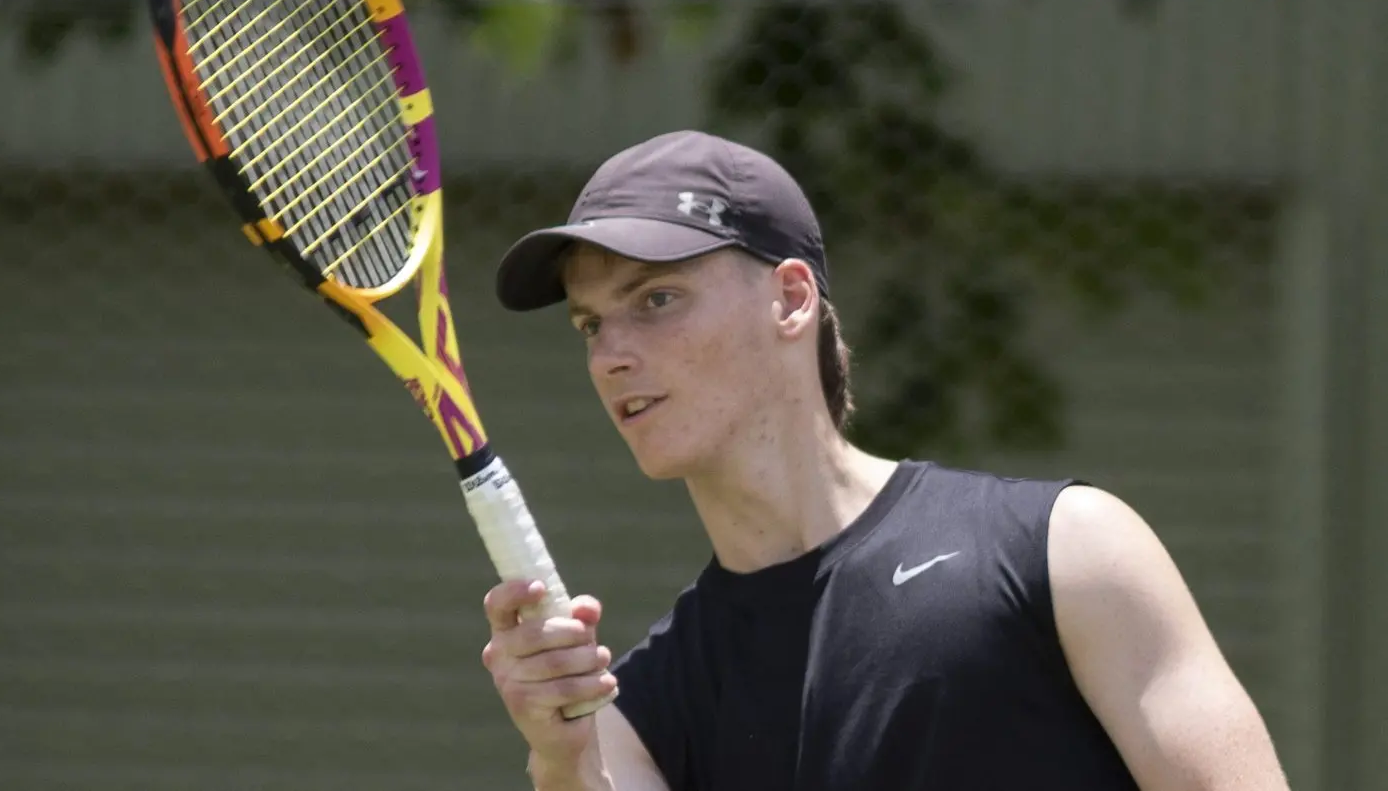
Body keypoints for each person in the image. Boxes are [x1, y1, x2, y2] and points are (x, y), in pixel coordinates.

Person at [480, 129, 1291, 791]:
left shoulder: (1069, 550)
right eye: (590, 325)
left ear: (791, 299)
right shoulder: (636, 714)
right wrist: (562, 758)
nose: (611, 355)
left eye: (656, 300)